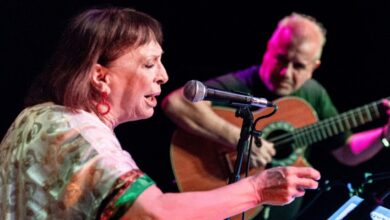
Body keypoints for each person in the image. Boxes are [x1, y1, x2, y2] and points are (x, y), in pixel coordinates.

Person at [0, 7, 322, 220]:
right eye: (149, 63)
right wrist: (257, 189)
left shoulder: (35, 116)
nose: (164, 76)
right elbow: (156, 214)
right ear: (100, 76)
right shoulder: (80, 135)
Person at [162, 13, 390, 219]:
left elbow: (346, 151)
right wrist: (239, 139)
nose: (285, 72)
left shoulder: (313, 94)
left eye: (298, 66)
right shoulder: (243, 83)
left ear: (314, 67)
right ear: (269, 48)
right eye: (281, 59)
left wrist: (383, 134)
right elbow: (177, 102)